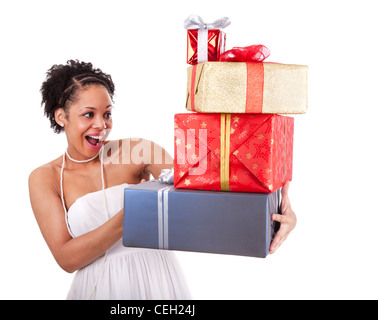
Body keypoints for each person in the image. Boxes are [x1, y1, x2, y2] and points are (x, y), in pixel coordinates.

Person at [28, 59, 296, 300]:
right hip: (98, 288)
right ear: (61, 116)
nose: (101, 124)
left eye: (107, 113)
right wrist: (133, 214)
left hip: (157, 279)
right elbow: (66, 258)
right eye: (89, 114)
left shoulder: (136, 151)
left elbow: (205, 186)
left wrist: (279, 207)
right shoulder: (46, 177)